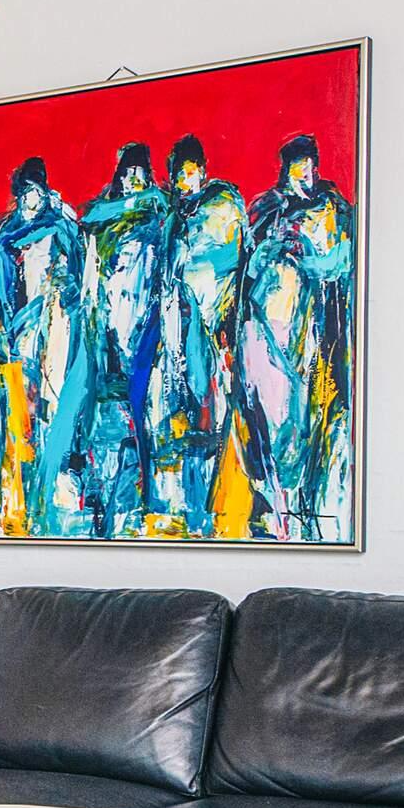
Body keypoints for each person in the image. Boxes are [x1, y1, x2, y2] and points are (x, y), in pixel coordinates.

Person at [241, 134, 357, 541]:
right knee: (266, 412)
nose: (303, 177)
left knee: (311, 418)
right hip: (266, 328)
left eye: (308, 168)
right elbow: (248, 268)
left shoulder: (334, 210)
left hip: (315, 331)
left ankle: (307, 510)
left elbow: (341, 262)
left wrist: (303, 254)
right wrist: (270, 249)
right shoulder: (266, 209)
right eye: (296, 170)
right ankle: (271, 505)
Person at [63, 142, 171, 537]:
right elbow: (90, 220)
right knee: (100, 409)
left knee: (144, 410)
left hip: (144, 322)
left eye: (139, 173)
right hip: (108, 323)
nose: (133, 180)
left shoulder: (159, 215)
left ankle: (143, 497)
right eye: (128, 173)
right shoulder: (103, 219)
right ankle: (96, 491)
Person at [0, 157, 81, 535]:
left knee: (51, 404)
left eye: (37, 191)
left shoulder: (59, 227)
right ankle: (15, 498)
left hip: (53, 324)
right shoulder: (5, 238)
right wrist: (2, 327)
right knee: (18, 411)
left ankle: (51, 486)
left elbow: (77, 269)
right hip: (17, 332)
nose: (32, 199)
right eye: (26, 192)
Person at [160, 134, 249, 535]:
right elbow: (169, 273)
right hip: (181, 329)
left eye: (190, 173)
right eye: (180, 175)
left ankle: (220, 505)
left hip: (217, 327)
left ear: (202, 172)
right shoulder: (174, 219)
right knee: (187, 412)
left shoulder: (222, 207)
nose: (185, 182)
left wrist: (220, 315)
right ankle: (190, 506)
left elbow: (231, 262)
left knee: (217, 411)